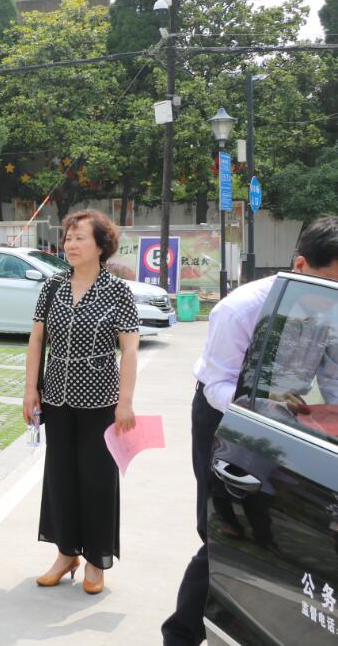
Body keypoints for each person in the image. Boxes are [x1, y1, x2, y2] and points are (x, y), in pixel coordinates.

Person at [161, 216, 338, 645]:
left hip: (283, 420)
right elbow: (217, 385)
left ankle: (240, 617)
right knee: (220, 532)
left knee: (265, 525)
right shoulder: (241, 308)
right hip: (226, 417)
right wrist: (269, 410)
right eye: (331, 284)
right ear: (300, 265)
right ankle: (181, 635)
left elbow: (332, 377)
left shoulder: (329, 307)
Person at [23, 209, 139, 595]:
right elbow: (37, 340)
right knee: (60, 477)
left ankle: (95, 561)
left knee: (97, 480)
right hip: (57, 399)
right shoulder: (53, 286)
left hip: (102, 402)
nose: (70, 244)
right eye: (68, 238)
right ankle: (66, 553)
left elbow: (130, 350)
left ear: (101, 246)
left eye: (79, 238)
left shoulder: (118, 291)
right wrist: (31, 389)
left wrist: (125, 401)